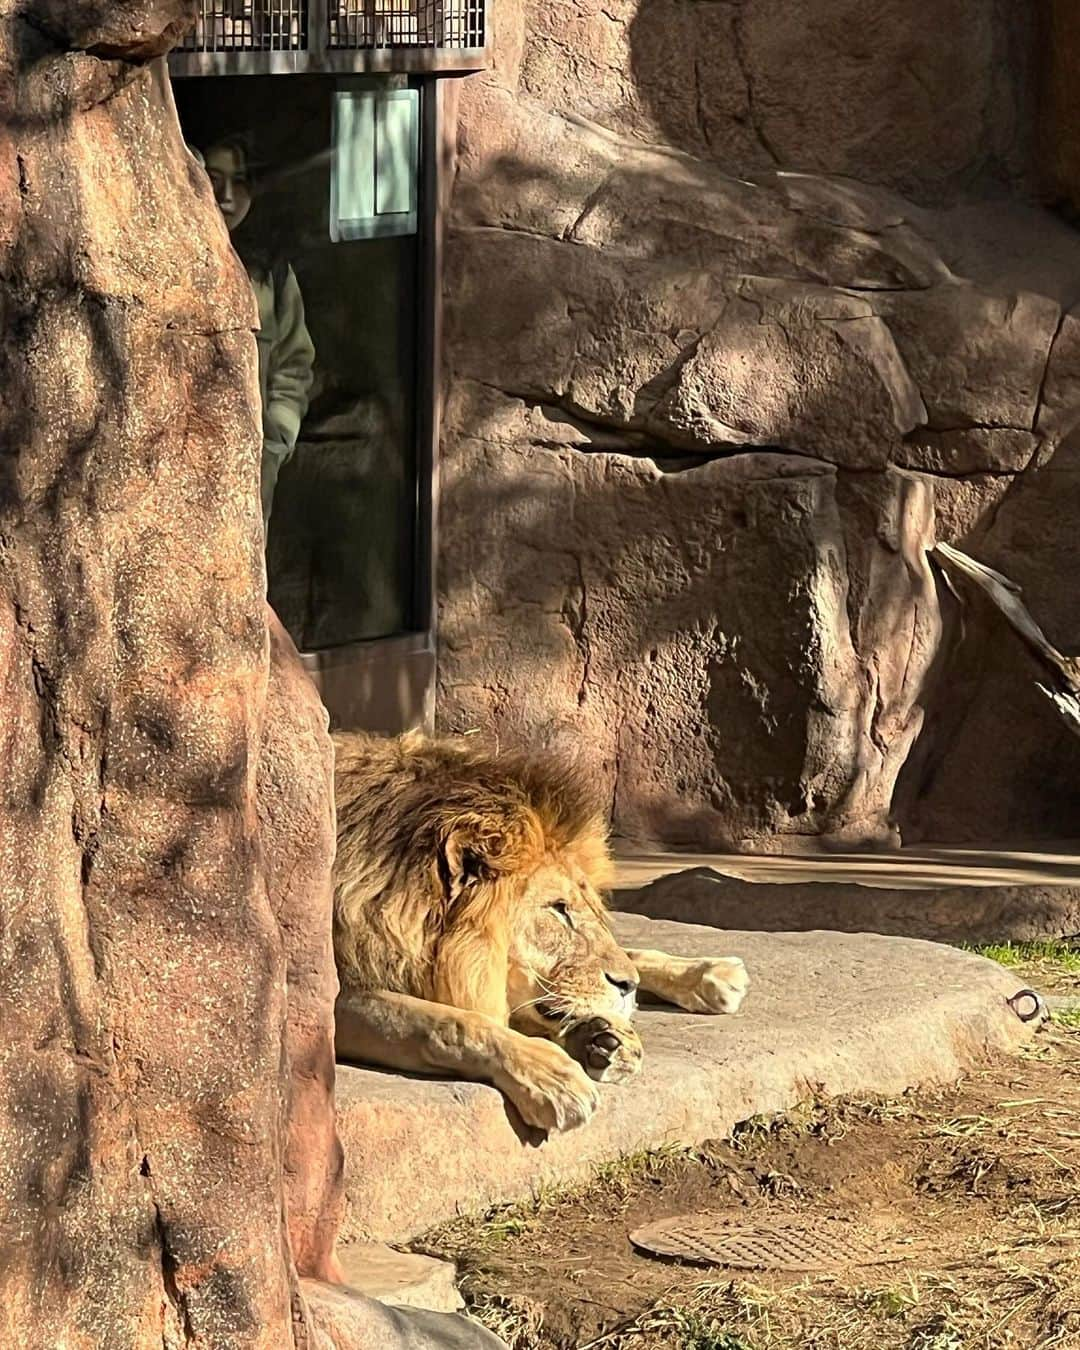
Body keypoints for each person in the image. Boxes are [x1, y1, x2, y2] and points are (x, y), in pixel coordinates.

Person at [199, 136, 316, 534]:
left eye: (240, 182)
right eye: (212, 179)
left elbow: (294, 364)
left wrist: (275, 441)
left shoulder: (271, 275)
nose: (227, 197)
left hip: (250, 478)